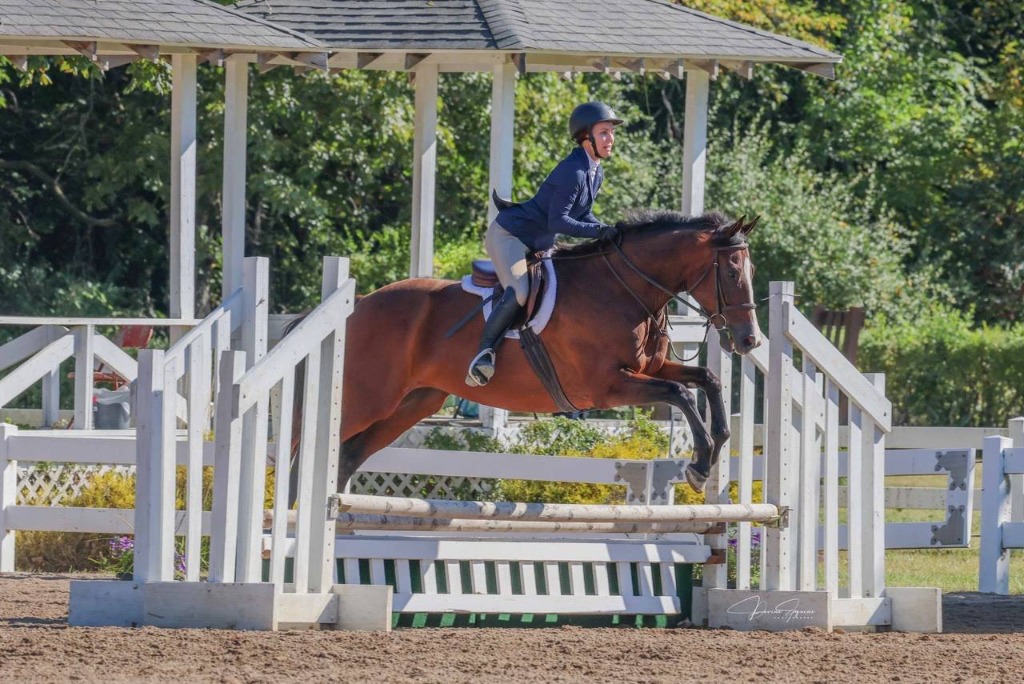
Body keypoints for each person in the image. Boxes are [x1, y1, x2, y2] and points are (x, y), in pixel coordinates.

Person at [465, 101, 624, 387]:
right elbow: (558, 221)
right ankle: (483, 353)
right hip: (510, 236)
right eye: (604, 132)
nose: (610, 139)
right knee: (520, 290)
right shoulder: (573, 171)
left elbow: (583, 214)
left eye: (612, 132)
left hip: (538, 243)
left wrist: (604, 228)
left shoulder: (595, 171)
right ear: (585, 137)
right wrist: (598, 232)